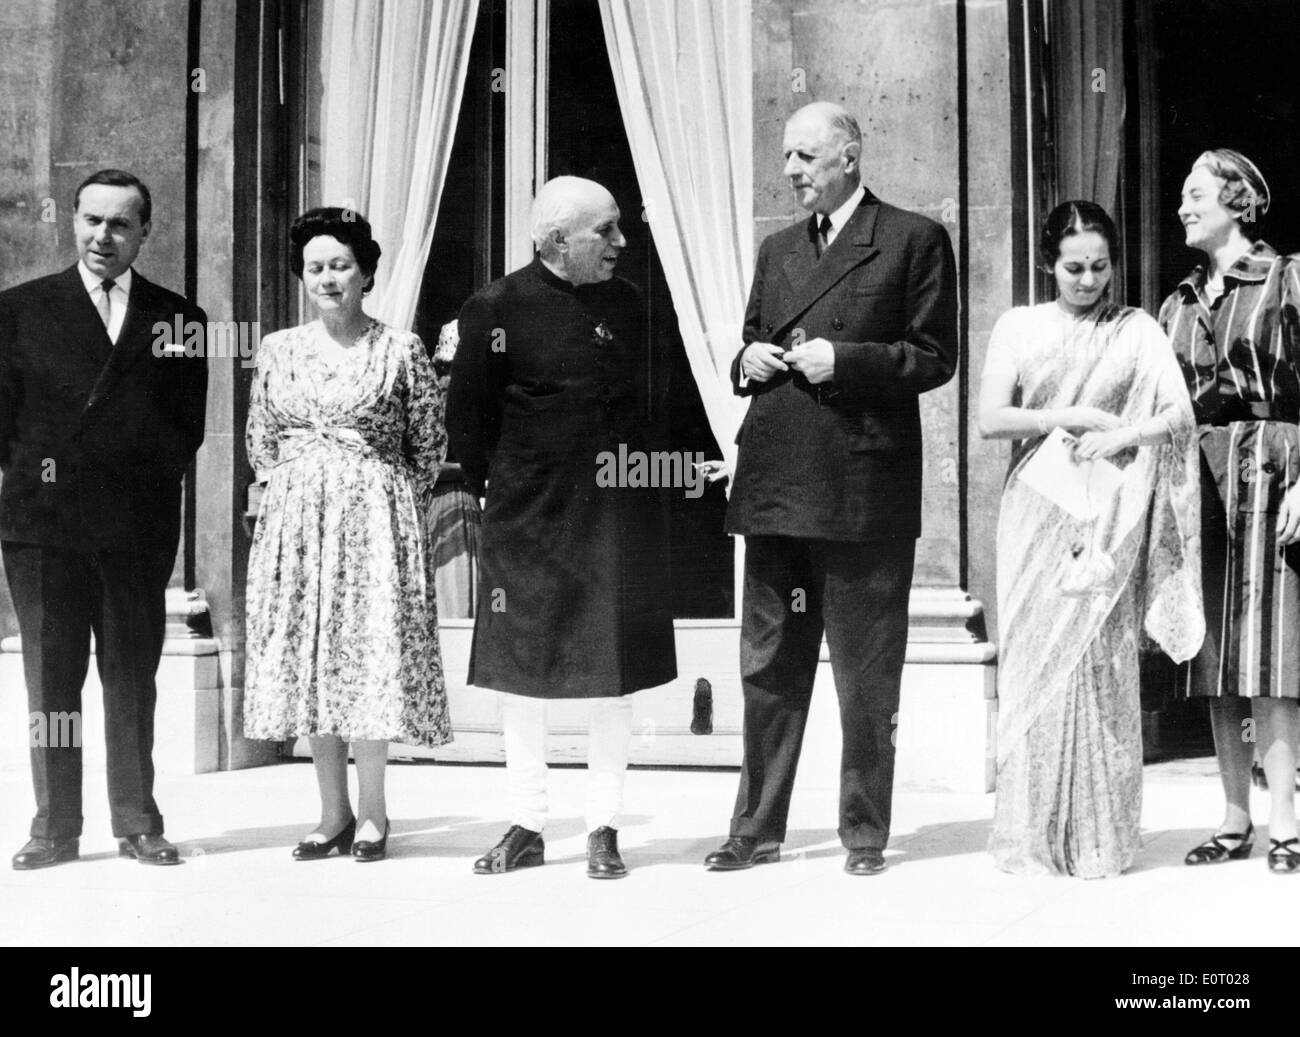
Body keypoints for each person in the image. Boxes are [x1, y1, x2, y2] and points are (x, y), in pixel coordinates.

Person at [703, 102, 958, 876]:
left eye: (805, 157)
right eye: (785, 157)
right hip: (778, 480)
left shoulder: (912, 237)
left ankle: (864, 832)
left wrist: (843, 361)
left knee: (865, 672)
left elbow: (934, 355)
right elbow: (751, 334)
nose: (790, 171)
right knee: (767, 666)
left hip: (860, 487)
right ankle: (755, 826)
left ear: (849, 156)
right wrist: (746, 362)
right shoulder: (778, 248)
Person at [446, 175, 676, 880]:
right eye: (603, 232)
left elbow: (650, 405)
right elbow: (469, 421)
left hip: (614, 515)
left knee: (612, 675)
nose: (621, 243)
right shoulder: (495, 307)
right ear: (554, 242)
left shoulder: (630, 305)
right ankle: (527, 822)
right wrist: (490, 500)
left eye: (618, 228)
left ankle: (603, 825)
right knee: (522, 676)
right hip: (527, 519)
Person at [979, 201, 1203, 878]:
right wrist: (1066, 415)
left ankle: (1100, 839)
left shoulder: (1135, 329)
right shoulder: (1019, 325)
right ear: (1049, 262)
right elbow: (991, 419)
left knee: (1100, 665)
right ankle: (1034, 837)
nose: (1086, 280)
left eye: (1100, 267)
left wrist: (1122, 435)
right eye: (1073, 267)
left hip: (1108, 508)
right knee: (1034, 665)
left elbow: (1179, 413)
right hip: (1035, 509)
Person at [0, 169, 207, 868]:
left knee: (129, 678)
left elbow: (185, 430)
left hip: (132, 530)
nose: (102, 236)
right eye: (91, 220)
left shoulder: (180, 319)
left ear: (146, 231)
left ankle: (137, 819)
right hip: (44, 530)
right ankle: (54, 825)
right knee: (52, 684)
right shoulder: (19, 311)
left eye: (120, 224)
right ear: (72, 220)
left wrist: (132, 492)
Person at [243, 207, 450, 863]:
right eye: (315, 268)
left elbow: (428, 446)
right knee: (313, 664)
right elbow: (260, 442)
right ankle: (330, 813)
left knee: (365, 662)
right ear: (302, 278)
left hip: (373, 527)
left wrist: (379, 500)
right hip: (298, 523)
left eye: (340, 265)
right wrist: (295, 495)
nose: (328, 278)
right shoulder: (278, 348)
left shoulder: (400, 349)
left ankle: (374, 814)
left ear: (365, 274)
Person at [1160, 150, 1300, 874]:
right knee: (1216, 658)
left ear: (1238, 202)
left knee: (1271, 656)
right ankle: (1233, 816)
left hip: (1275, 469)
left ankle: (1287, 824)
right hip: (1202, 479)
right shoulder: (1177, 303)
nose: (1183, 206)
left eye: (1196, 194)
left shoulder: (1286, 277)